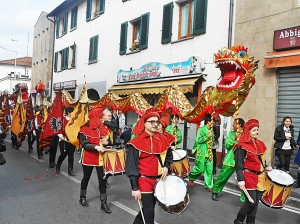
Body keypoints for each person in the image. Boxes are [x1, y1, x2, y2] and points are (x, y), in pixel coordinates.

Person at [126, 108, 174, 224]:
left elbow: (168, 156)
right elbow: (131, 166)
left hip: (159, 181)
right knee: (149, 214)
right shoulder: (135, 143)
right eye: (151, 122)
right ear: (144, 123)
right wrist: (135, 188)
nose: (155, 124)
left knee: (148, 208)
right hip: (144, 181)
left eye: (157, 122)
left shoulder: (163, 139)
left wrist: (166, 167)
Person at [234, 119, 272, 224]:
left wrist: (267, 166)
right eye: (254, 130)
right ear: (248, 131)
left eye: (257, 130)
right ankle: (239, 220)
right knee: (251, 202)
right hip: (249, 176)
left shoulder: (260, 144)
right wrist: (241, 179)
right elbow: (239, 164)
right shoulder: (241, 145)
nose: (257, 132)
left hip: (260, 177)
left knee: (255, 203)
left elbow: (261, 160)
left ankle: (251, 222)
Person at [78, 107, 111, 213]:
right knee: (86, 178)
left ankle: (103, 203)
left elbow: (108, 140)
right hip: (88, 157)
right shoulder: (84, 128)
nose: (102, 119)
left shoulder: (102, 127)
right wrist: (96, 147)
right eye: (100, 117)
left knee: (102, 180)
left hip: (100, 158)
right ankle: (82, 197)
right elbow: (84, 144)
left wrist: (106, 142)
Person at [212, 118, 245, 201]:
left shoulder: (245, 135)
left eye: (234, 123)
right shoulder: (231, 134)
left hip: (241, 161)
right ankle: (215, 191)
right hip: (230, 160)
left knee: (244, 180)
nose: (233, 125)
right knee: (222, 177)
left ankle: (244, 199)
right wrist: (234, 137)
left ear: (239, 125)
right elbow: (227, 146)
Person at [189, 114, 215, 190]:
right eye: (212, 121)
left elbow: (212, 141)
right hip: (201, 152)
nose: (213, 123)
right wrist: (207, 136)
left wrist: (212, 142)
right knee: (200, 169)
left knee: (209, 170)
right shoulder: (201, 129)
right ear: (208, 121)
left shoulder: (211, 130)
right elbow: (198, 140)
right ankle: (191, 177)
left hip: (209, 153)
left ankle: (209, 186)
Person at [56, 107, 76, 176]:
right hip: (63, 140)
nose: (73, 114)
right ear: (68, 113)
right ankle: (58, 165)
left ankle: (70, 170)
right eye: (72, 113)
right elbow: (58, 129)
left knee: (71, 156)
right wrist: (61, 137)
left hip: (72, 140)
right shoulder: (62, 120)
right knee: (63, 154)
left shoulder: (74, 120)